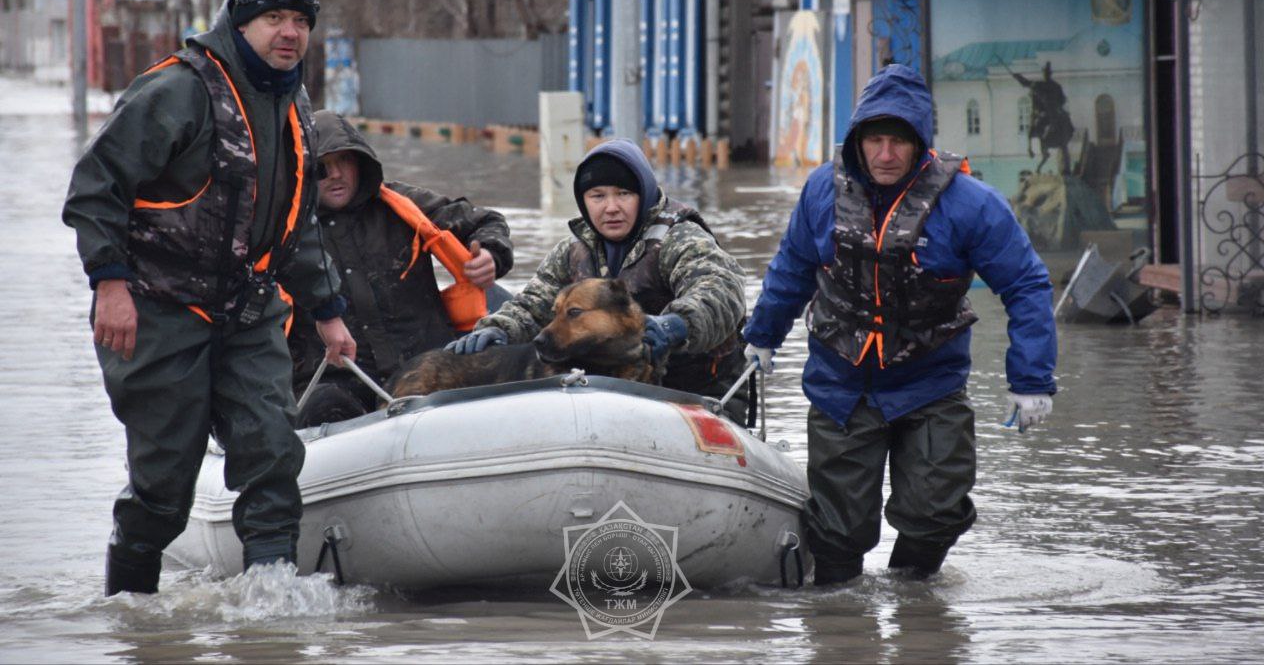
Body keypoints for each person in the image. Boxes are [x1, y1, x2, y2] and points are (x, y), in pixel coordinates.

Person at [63, 0, 357, 596]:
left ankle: (271, 615)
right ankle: (130, 610)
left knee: (274, 457)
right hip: (160, 309)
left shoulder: (294, 101)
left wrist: (328, 311)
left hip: (249, 312)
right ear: (242, 21)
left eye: (301, 21)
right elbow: (95, 188)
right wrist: (109, 286)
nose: (290, 33)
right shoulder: (177, 90)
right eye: (274, 18)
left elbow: (297, 222)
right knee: (165, 486)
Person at [742, 64, 1057, 583]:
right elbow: (792, 266)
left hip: (929, 382)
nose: (886, 155)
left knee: (937, 513)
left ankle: (915, 608)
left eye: (899, 143)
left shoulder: (970, 205)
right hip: (841, 383)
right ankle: (842, 627)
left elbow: (1025, 284)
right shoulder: (822, 190)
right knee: (838, 530)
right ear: (858, 142)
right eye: (876, 141)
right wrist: (761, 336)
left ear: (921, 145)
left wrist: (1031, 381)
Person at [448, 138, 752, 421]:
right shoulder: (573, 251)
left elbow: (721, 290)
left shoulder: (681, 238)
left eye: (623, 194)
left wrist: (673, 325)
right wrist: (497, 330)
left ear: (643, 194)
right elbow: (533, 306)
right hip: (609, 390)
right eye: (598, 196)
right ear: (584, 201)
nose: (611, 207)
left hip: (697, 392)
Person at [288, 110, 514, 426]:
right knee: (322, 405)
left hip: (426, 367)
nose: (337, 174)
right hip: (338, 381)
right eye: (324, 167)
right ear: (305, 170)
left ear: (361, 163)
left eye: (346, 161)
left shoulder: (403, 204)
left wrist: (491, 255)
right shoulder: (282, 228)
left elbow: (486, 220)